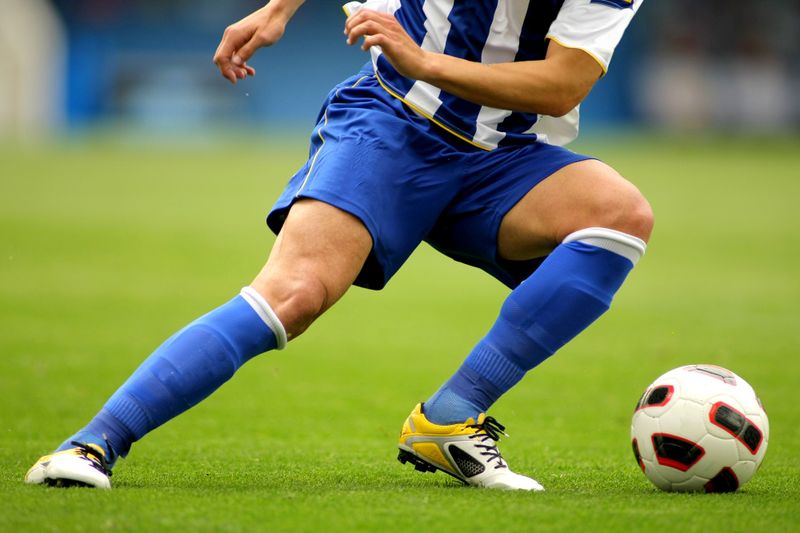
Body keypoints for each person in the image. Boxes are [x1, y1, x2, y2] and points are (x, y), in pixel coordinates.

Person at [25, 0, 652, 491]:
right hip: (390, 123)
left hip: (502, 157)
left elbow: (562, 84)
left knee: (619, 215)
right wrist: (277, 10)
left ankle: (451, 418)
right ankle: (92, 444)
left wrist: (424, 60)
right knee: (294, 294)